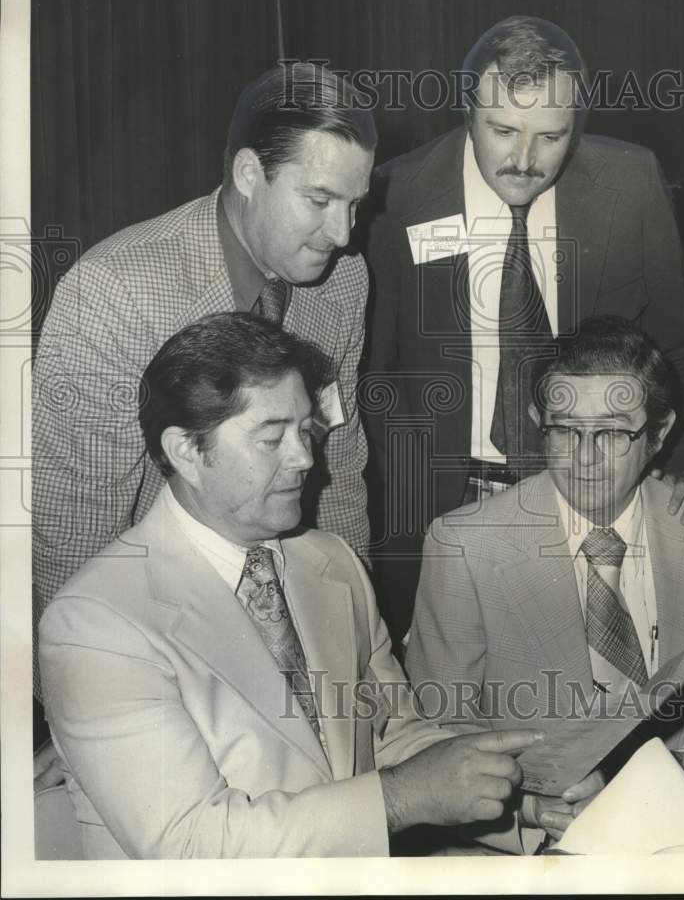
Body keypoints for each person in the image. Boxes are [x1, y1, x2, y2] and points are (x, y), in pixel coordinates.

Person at [38, 313, 548, 858]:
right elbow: (190, 848)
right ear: (187, 450)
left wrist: (523, 794)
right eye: (272, 437)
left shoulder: (333, 564)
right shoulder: (96, 622)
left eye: (306, 430)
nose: (306, 458)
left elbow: (394, 737)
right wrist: (400, 800)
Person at [361, 15, 684, 646]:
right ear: (467, 108)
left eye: (550, 136)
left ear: (576, 126)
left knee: (600, 683)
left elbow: (680, 350)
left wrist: (683, 466)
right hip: (444, 505)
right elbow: (376, 371)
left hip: (595, 487)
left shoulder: (631, 184)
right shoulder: (397, 194)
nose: (524, 160)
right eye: (502, 130)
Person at [33, 61, 374, 665]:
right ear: (249, 173)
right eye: (319, 200)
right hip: (159, 631)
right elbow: (73, 527)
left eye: (355, 203)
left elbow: (339, 467)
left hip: (292, 618)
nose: (343, 234)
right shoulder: (114, 293)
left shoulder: (343, 283)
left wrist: (355, 638)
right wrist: (88, 685)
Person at [405, 316, 684, 848]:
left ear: (657, 433)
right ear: (540, 421)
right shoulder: (466, 545)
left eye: (612, 431)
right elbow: (437, 731)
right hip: (539, 840)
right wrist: (527, 808)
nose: (585, 458)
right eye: (565, 430)